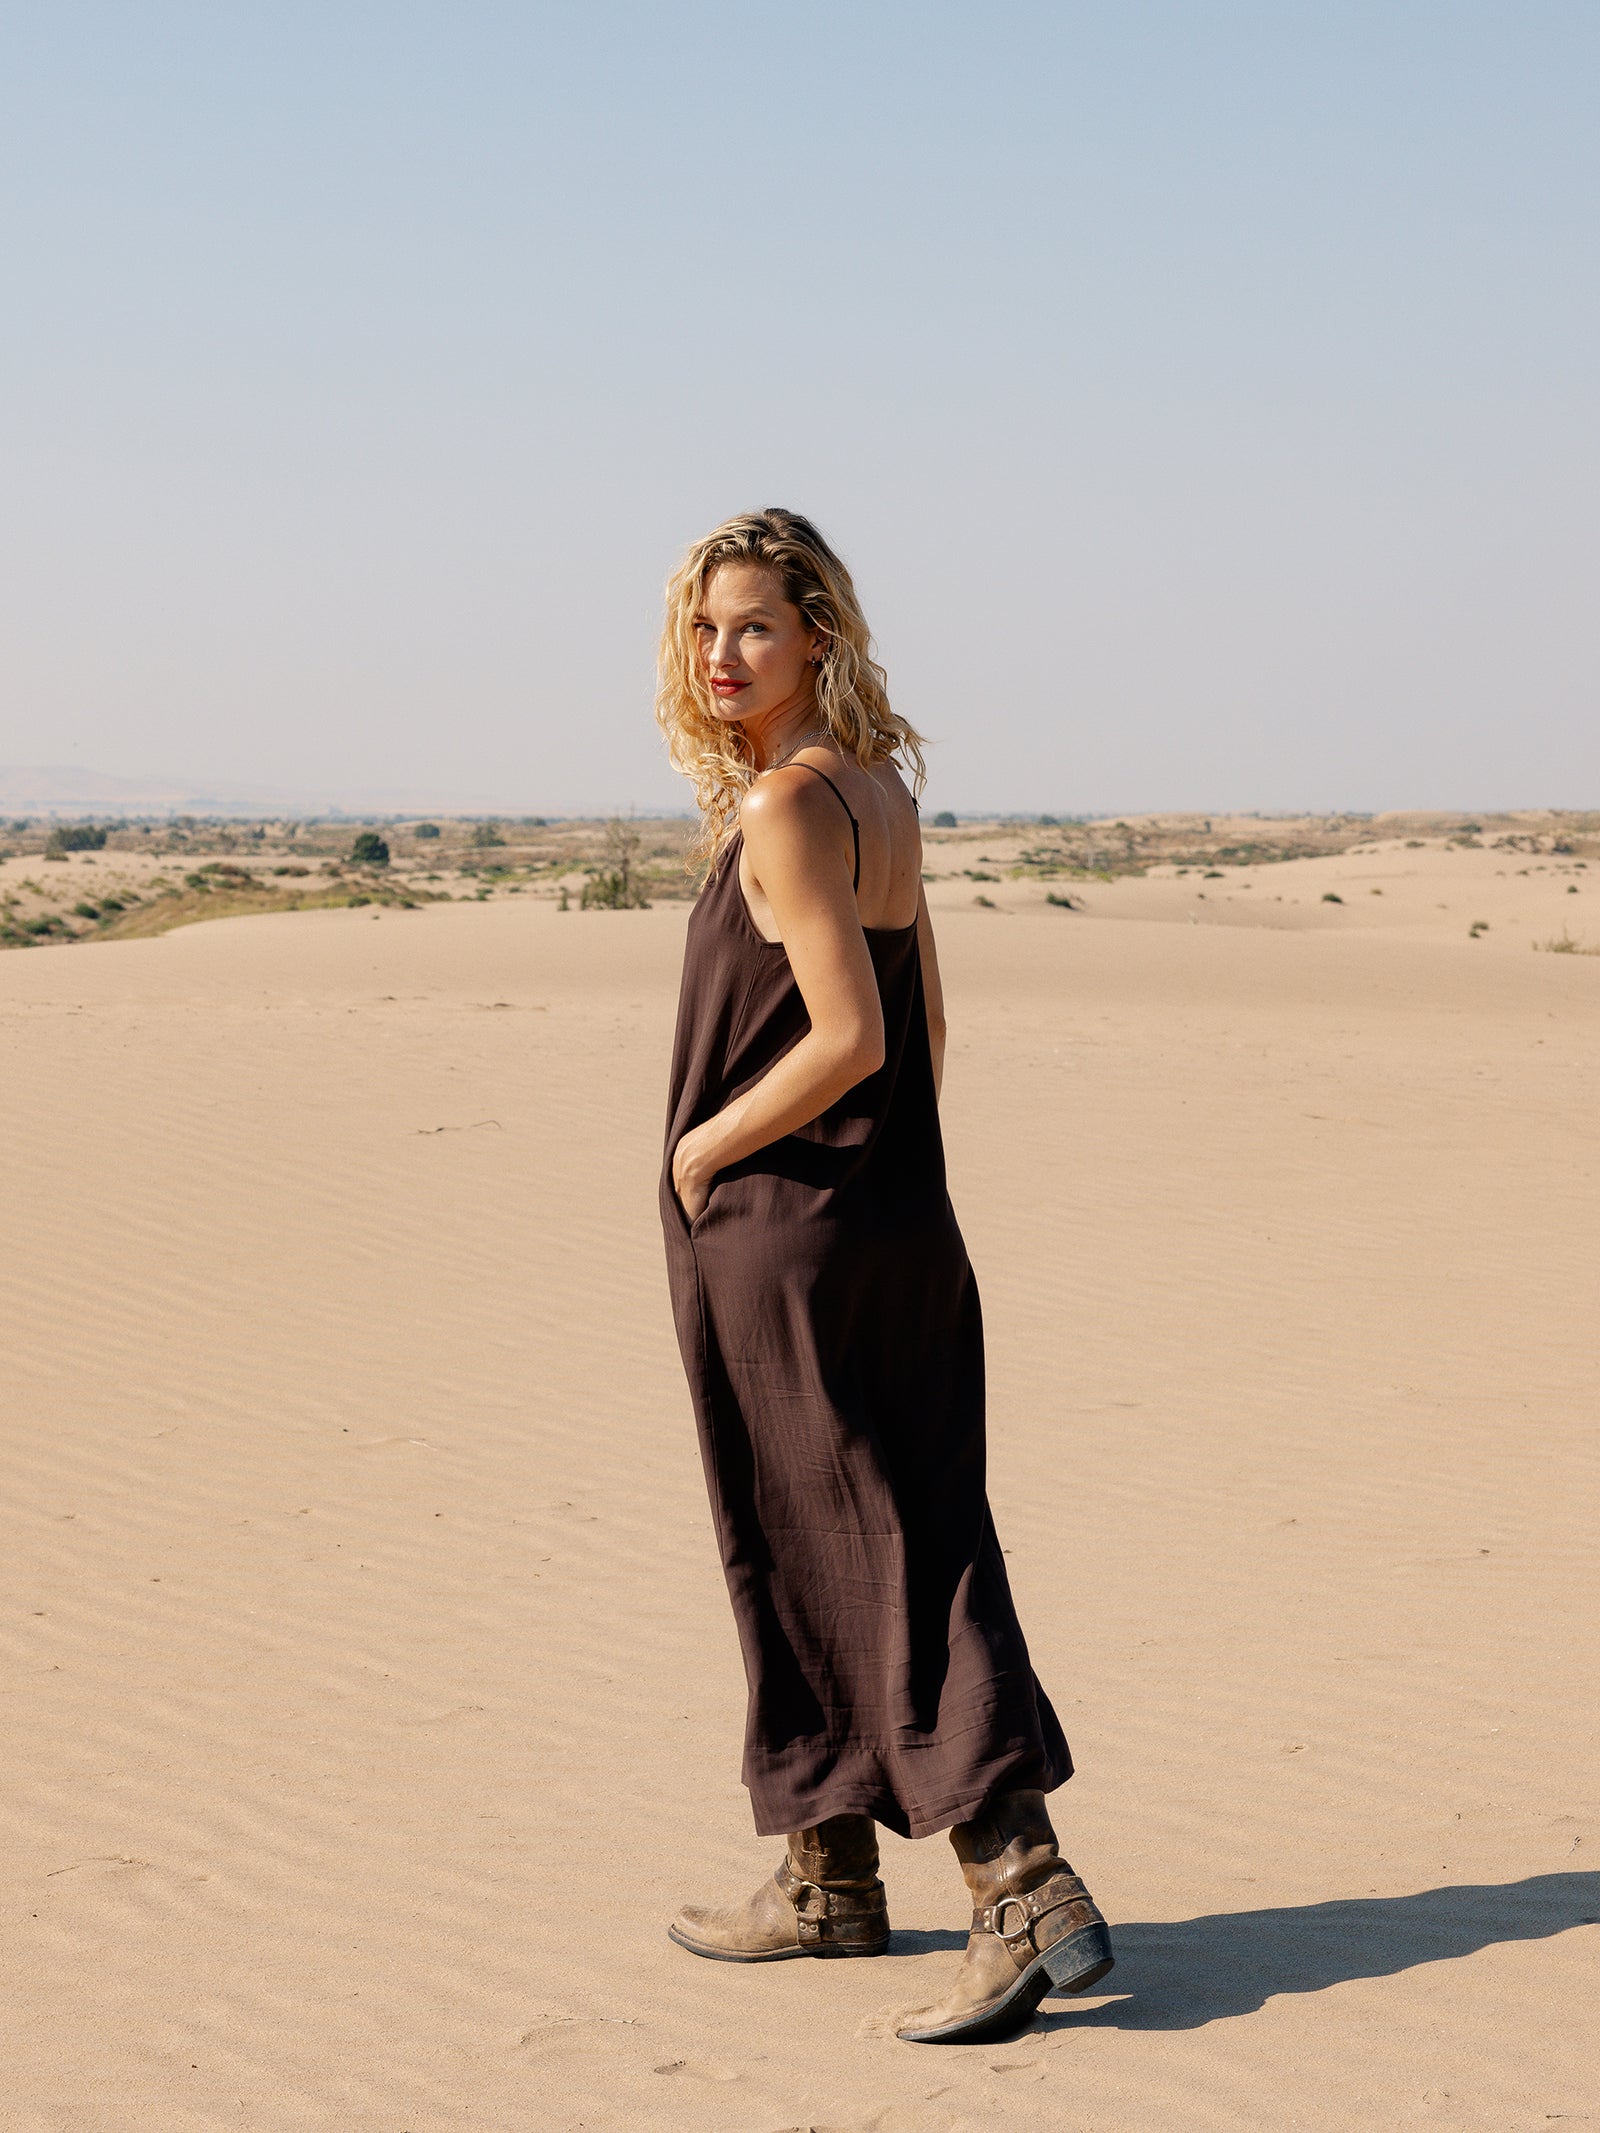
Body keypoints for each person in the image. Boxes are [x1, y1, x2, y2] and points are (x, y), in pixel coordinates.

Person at [655, 508, 1112, 2045]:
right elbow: (926, 1024)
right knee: (848, 1528)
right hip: (895, 1218)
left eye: (757, 628)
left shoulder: (787, 809)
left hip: (792, 1232)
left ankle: (1024, 1886)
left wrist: (702, 1146)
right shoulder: (879, 796)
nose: (725, 656)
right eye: (709, 627)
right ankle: (828, 1869)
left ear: (820, 638)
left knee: (868, 1545)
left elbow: (849, 1037)